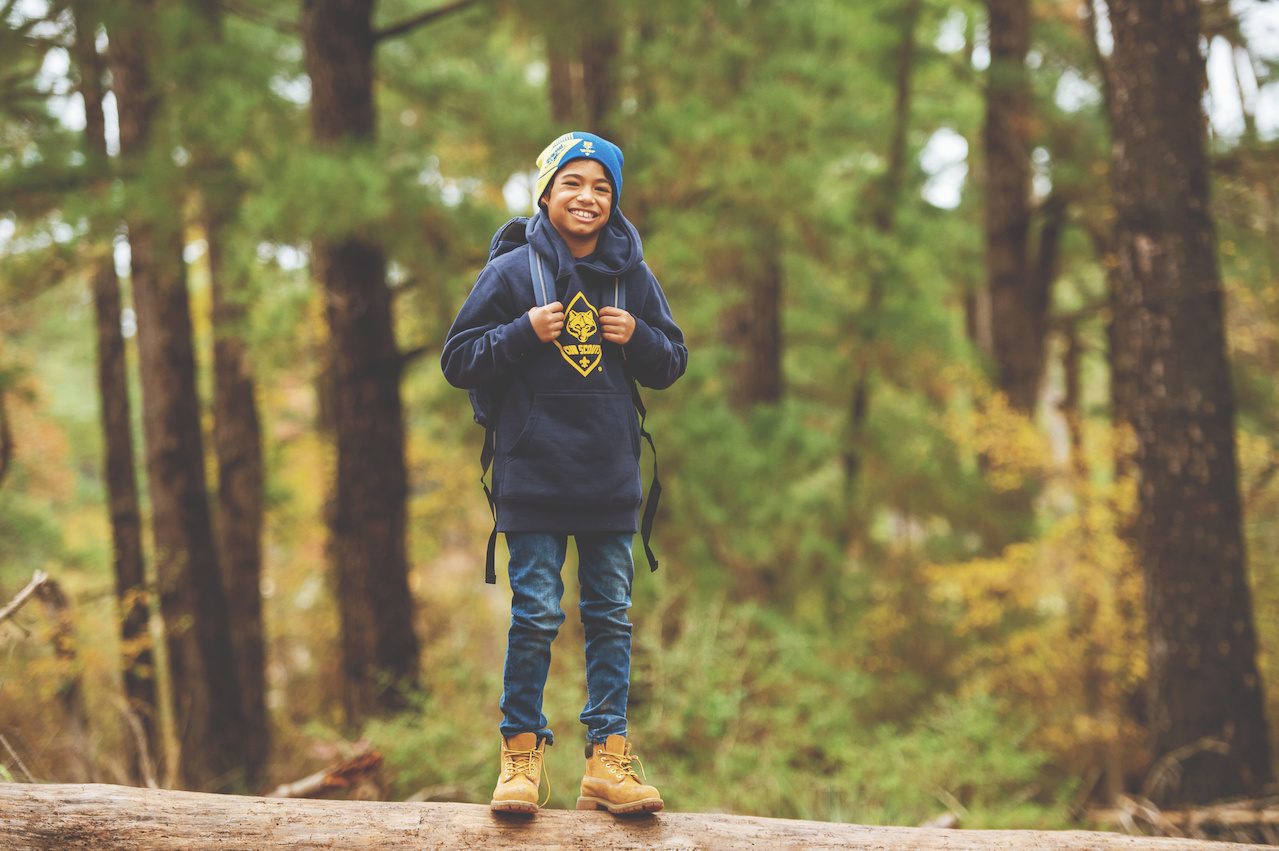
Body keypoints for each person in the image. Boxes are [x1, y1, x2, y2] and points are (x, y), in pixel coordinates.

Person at [440, 131, 688, 815]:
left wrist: (636, 334)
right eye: (573, 184)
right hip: (532, 477)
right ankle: (520, 756)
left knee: (610, 616)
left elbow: (671, 362)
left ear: (613, 201)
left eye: (601, 187)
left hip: (609, 478)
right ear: (545, 193)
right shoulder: (512, 272)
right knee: (538, 614)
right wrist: (522, 330)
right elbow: (457, 359)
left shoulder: (631, 274)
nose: (587, 197)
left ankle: (608, 760)